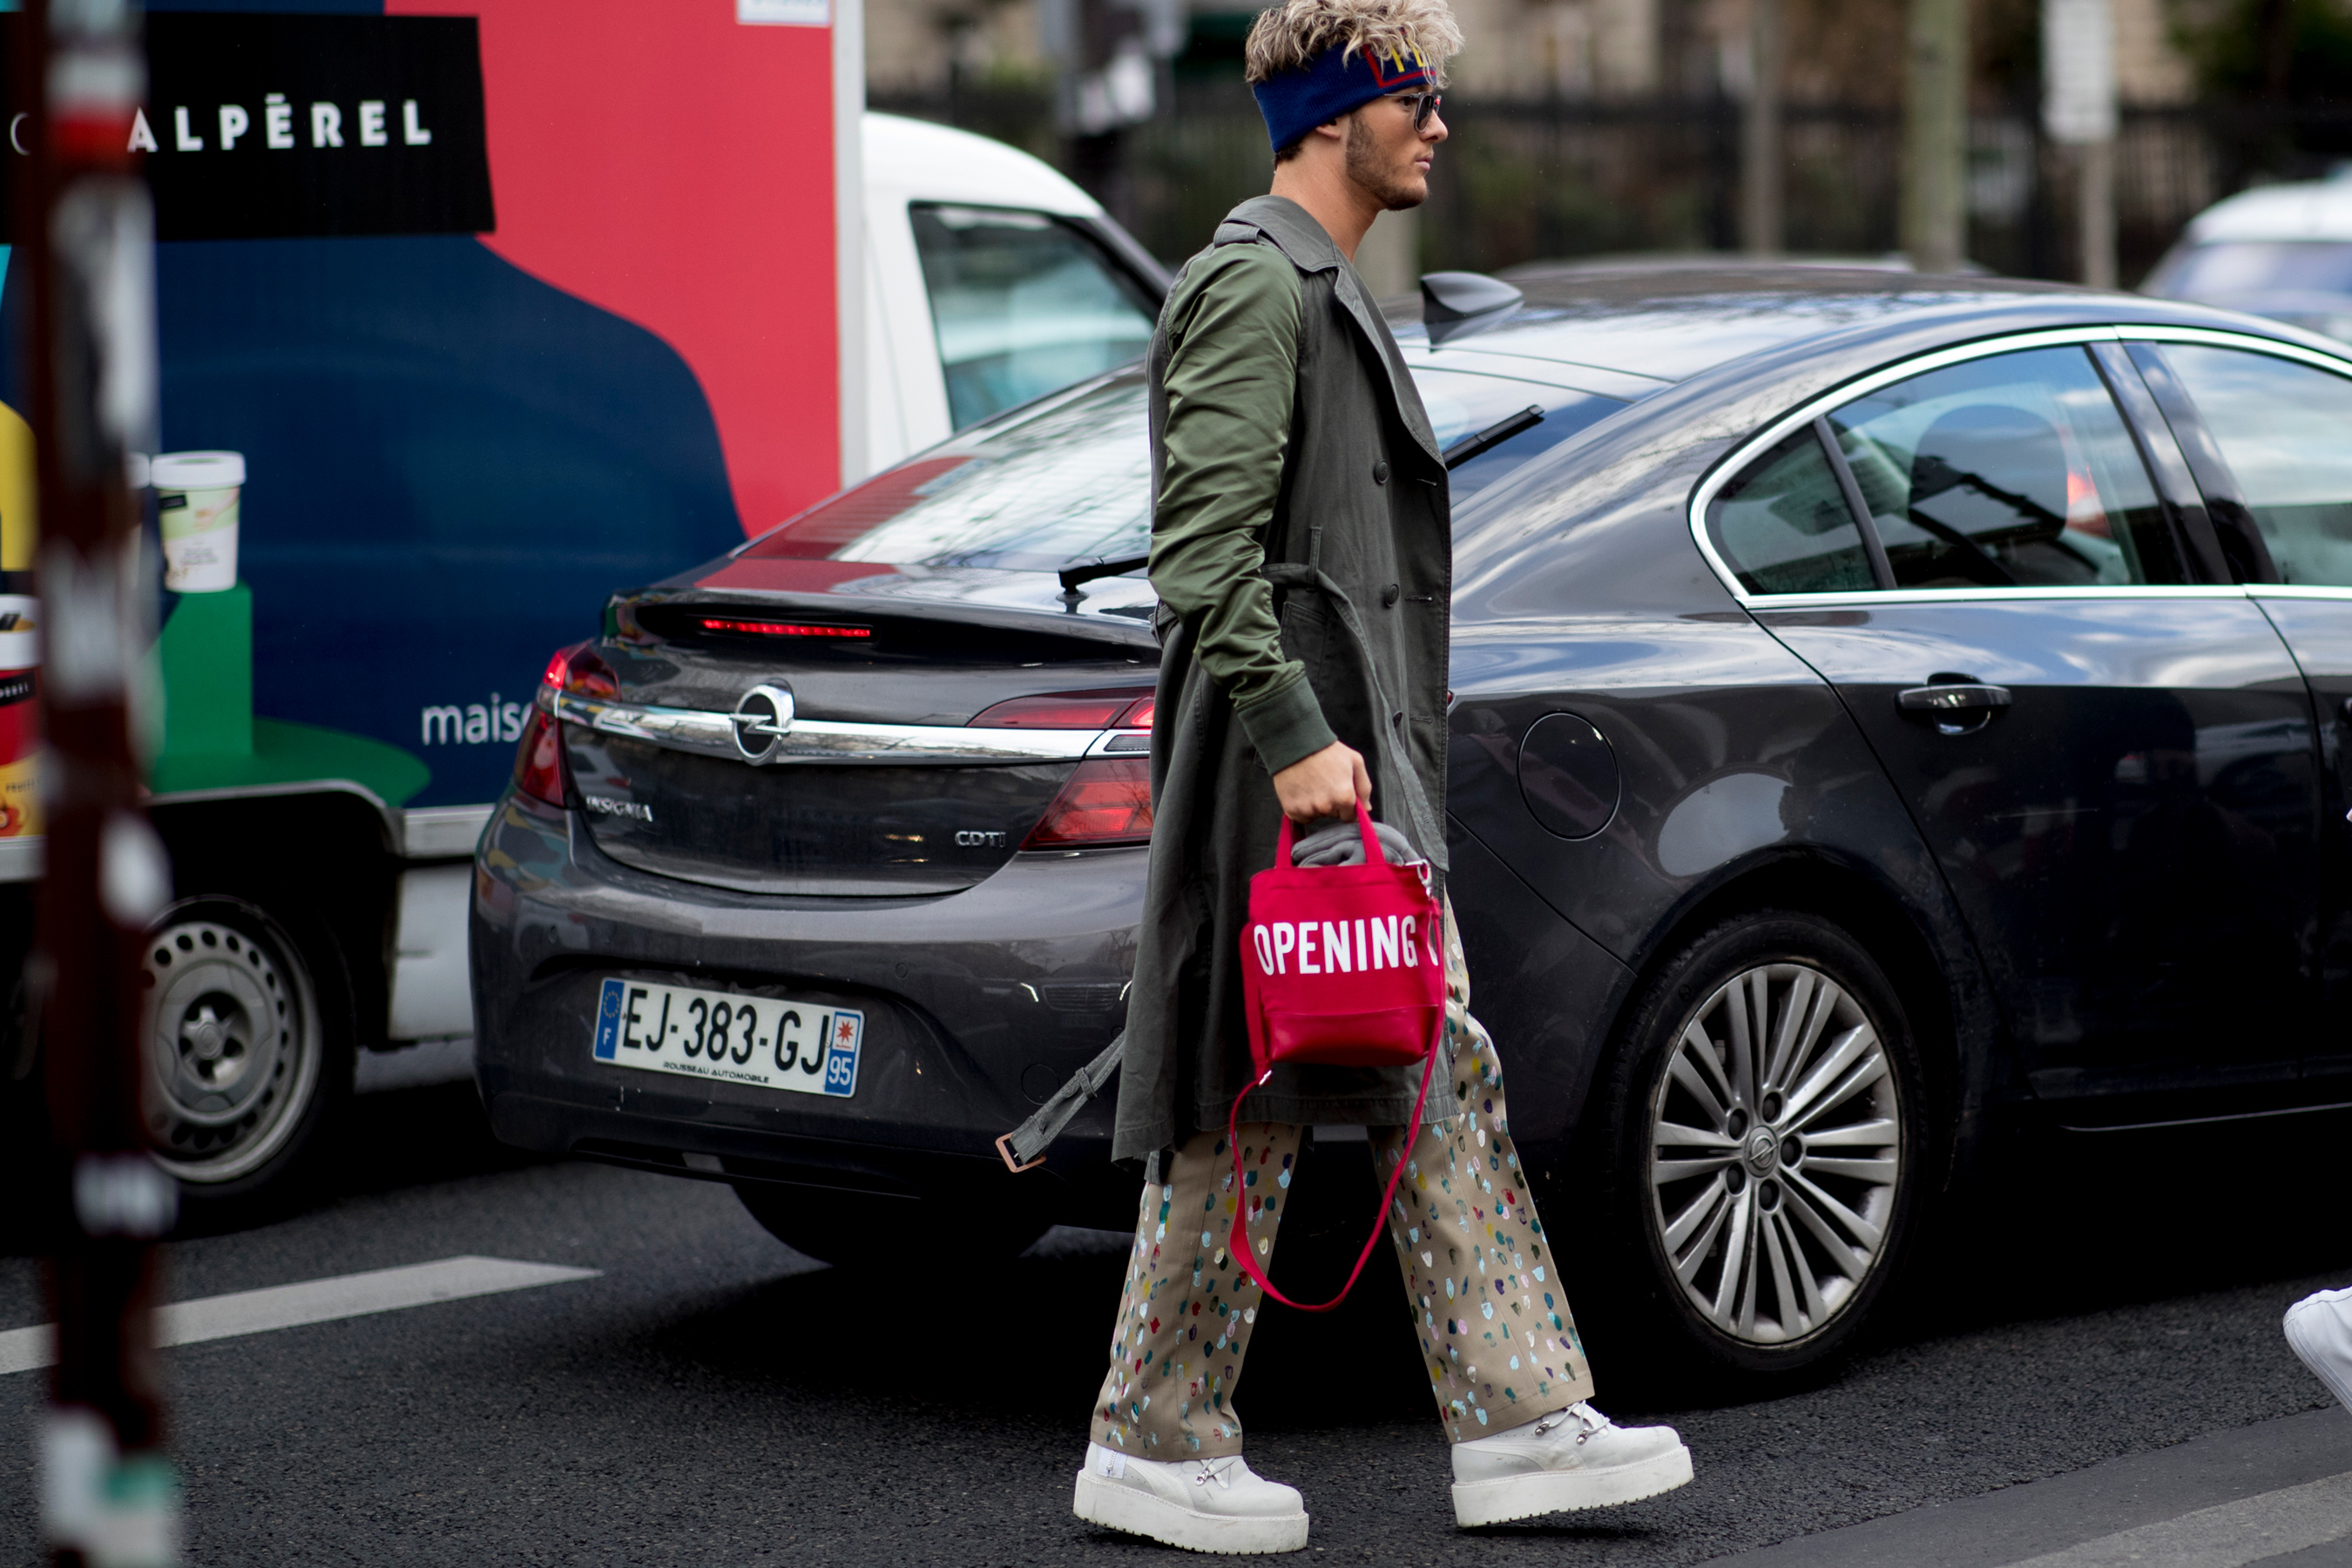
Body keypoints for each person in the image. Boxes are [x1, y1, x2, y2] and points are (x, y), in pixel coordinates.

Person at [1068, 0, 1695, 1551]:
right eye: (1416, 99)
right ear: (1340, 113)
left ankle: (1510, 1423)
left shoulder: (1319, 286)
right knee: (1269, 1084)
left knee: (1409, 1074)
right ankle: (1173, 1438)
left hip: (1351, 778)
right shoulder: (1253, 289)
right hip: (1285, 781)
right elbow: (1200, 561)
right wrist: (1298, 746)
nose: (1438, 128)